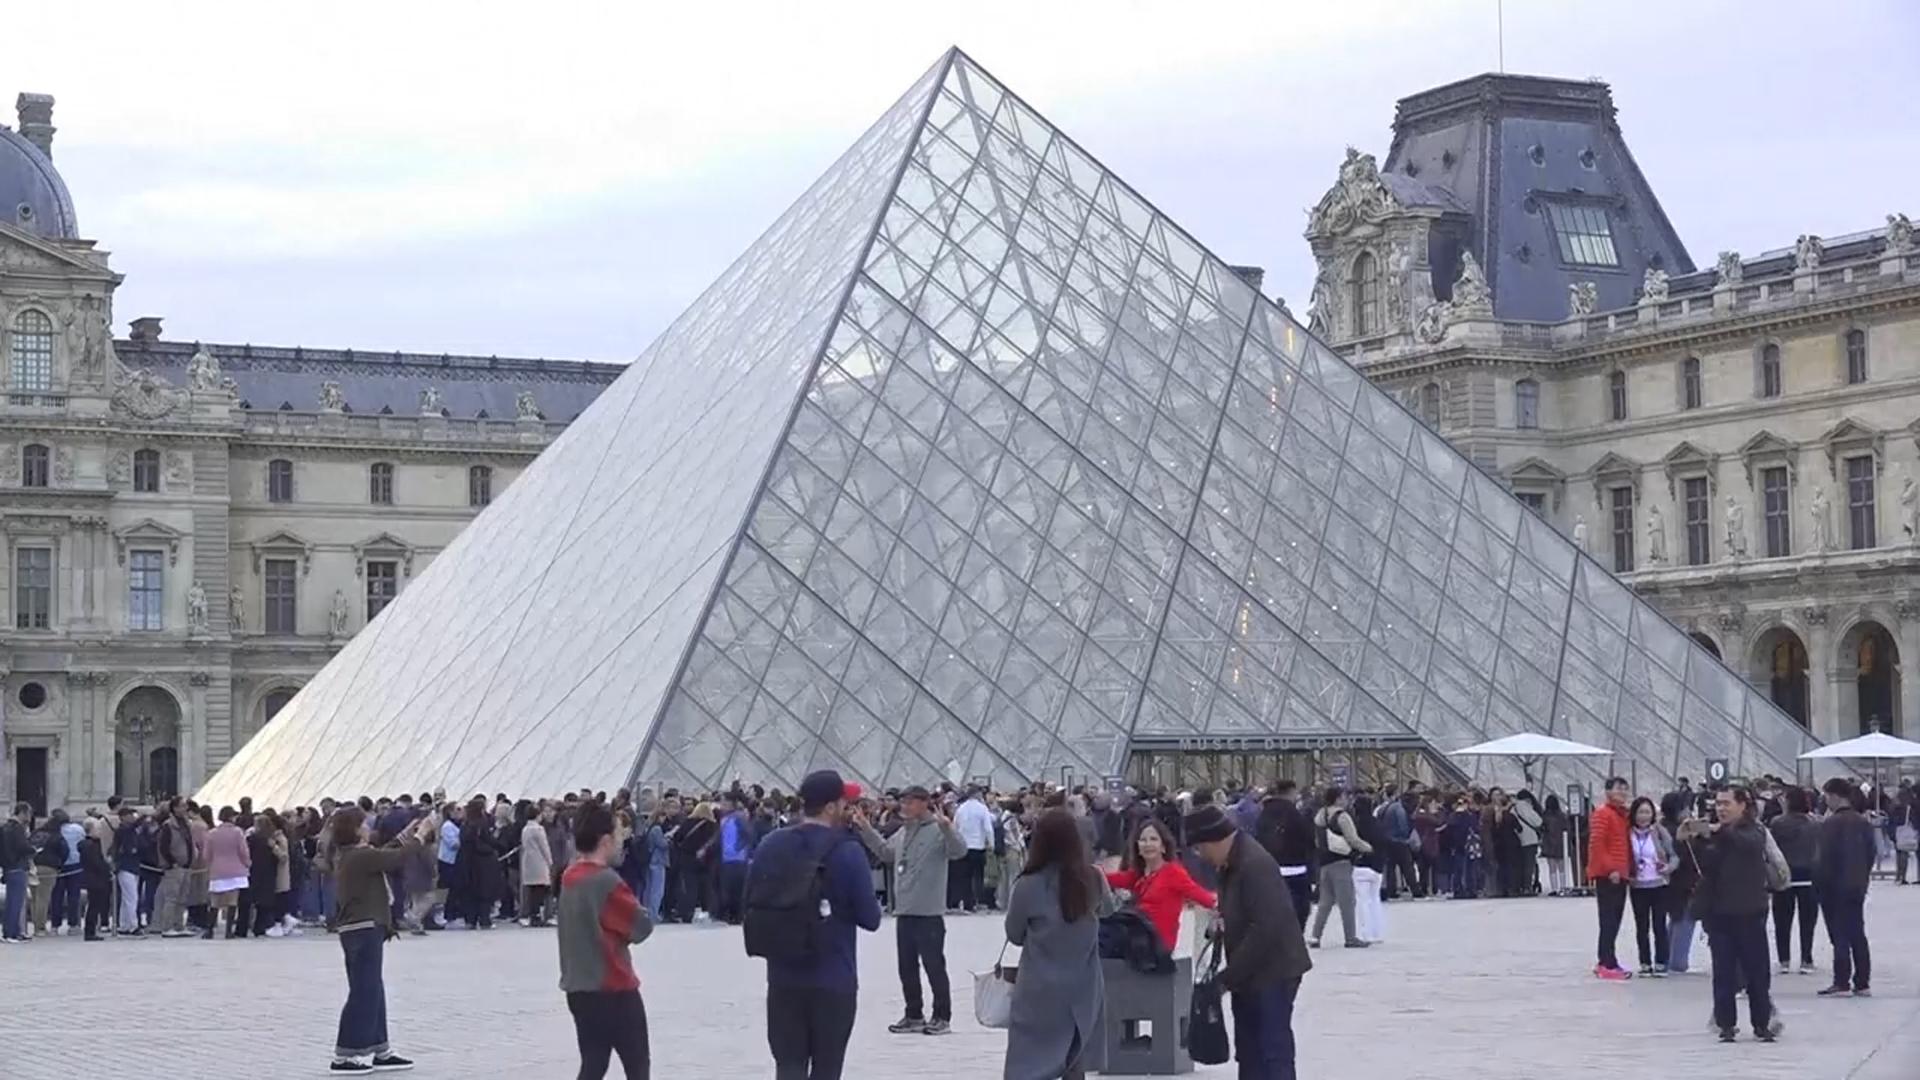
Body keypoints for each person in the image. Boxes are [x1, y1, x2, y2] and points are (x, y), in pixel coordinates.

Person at [746, 770, 881, 1080]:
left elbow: (751, 899)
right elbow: (870, 919)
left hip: (783, 977)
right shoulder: (848, 850)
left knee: (789, 1068)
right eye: (845, 803)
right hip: (834, 978)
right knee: (827, 1070)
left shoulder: (770, 844)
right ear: (831, 807)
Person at [1186, 803, 1311, 1080]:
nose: (1199, 855)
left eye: (1199, 847)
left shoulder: (1254, 863)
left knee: (1271, 1050)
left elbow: (1266, 926)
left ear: (1214, 839)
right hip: (1250, 972)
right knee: (1250, 1050)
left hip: (1273, 971)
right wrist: (1223, 921)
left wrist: (1228, 978)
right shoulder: (1230, 861)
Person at [1003, 808, 1112, 1080]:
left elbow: (1014, 935)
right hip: (1083, 986)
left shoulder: (1027, 885)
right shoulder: (1094, 879)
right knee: (1074, 1060)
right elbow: (1108, 910)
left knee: (1028, 1062)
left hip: (1038, 989)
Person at [326, 804, 431, 1073]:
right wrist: (421, 837)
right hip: (362, 928)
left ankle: (378, 1047)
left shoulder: (354, 855)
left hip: (363, 927)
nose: (368, 826)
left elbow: (385, 852)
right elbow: (394, 858)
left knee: (373, 989)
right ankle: (345, 1054)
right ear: (354, 829)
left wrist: (407, 833)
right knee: (364, 991)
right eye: (363, 823)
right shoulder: (359, 856)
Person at [853, 784, 965, 1036]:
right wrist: (866, 829)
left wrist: (948, 829)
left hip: (928, 911)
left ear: (924, 803)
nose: (903, 807)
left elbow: (959, 851)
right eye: (902, 803)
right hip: (904, 910)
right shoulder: (904, 832)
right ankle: (913, 1013)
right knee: (907, 967)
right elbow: (886, 853)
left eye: (909, 802)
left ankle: (941, 1016)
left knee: (934, 965)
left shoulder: (938, 829)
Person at [558, 802, 654, 1080]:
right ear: (605, 840)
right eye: (619, 835)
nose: (621, 841)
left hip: (579, 987)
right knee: (637, 1066)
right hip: (613, 987)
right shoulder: (605, 882)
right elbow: (641, 927)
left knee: (594, 1062)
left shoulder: (570, 876)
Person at [1694, 785, 1778, 1042]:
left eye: (1726, 803)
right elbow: (1705, 865)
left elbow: (1748, 844)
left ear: (1742, 805)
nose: (1720, 808)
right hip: (1719, 914)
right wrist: (1697, 838)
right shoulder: (1715, 832)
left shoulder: (1753, 831)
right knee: (1723, 973)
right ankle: (1725, 1025)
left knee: (1757, 972)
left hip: (1750, 912)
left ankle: (1762, 1024)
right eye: (1718, 803)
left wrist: (1720, 832)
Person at [1105, 817, 1214, 953]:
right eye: (1143, 840)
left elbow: (1200, 895)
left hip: (1157, 946)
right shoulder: (1140, 873)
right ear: (1137, 847)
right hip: (1139, 939)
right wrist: (1087, 873)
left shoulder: (1173, 872)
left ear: (1163, 846)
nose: (1148, 844)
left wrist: (1223, 908)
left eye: (1153, 839)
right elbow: (1113, 878)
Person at [1815, 778, 1876, 999]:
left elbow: (1824, 859)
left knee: (1839, 934)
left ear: (1833, 795)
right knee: (1857, 932)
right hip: (1857, 885)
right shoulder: (1863, 822)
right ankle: (1862, 982)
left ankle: (1841, 981)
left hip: (1834, 886)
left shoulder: (1831, 824)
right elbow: (1871, 853)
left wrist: (1819, 884)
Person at [1308, 786, 1371, 949]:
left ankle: (1315, 936)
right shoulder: (1342, 816)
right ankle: (1350, 937)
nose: (1347, 799)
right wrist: (1368, 847)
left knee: (1325, 902)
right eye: (1345, 796)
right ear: (1338, 798)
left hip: (1324, 862)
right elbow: (1352, 839)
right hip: (1341, 861)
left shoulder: (1320, 814)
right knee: (1347, 902)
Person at [1767, 786, 1820, 975]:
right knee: (1808, 920)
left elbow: (1772, 849)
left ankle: (1784, 960)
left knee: (1782, 920)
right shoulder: (1815, 823)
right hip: (1809, 875)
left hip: (1784, 875)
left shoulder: (1777, 822)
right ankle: (1807, 958)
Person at [1586, 776, 1633, 980]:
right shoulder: (1602, 814)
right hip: (1609, 875)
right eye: (1618, 789)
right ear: (1607, 792)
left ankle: (1606, 960)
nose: (1622, 792)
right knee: (1609, 919)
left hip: (1621, 873)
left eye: (1625, 789)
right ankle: (1607, 962)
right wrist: (1610, 868)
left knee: (1614, 919)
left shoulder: (1621, 815)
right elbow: (1597, 844)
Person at [1253, 782, 1313, 929]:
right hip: (1295, 868)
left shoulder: (1263, 814)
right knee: (1298, 909)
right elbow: (1307, 839)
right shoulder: (1293, 813)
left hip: (1270, 868)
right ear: (1290, 792)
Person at [1625, 796, 1673, 976]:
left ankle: (1661, 962)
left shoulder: (1659, 832)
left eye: (1647, 812)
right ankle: (1645, 962)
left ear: (1653, 814)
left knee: (1659, 925)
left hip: (1658, 884)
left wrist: (1668, 867)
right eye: (1640, 812)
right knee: (1641, 926)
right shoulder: (1627, 833)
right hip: (1638, 886)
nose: (1643, 816)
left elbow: (1673, 855)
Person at [1661, 793, 1703, 975]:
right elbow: (1685, 856)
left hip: (1671, 882)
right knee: (1685, 919)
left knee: (1676, 919)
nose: (1689, 811)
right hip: (1683, 881)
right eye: (1685, 808)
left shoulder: (1663, 827)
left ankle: (1669, 958)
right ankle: (1678, 961)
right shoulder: (1678, 831)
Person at [206, 806, 251, 939]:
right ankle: (228, 931)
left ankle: (210, 930)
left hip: (217, 869)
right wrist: (247, 863)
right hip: (235, 869)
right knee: (232, 900)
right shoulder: (237, 832)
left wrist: (209, 864)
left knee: (215, 901)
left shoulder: (212, 833)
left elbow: (207, 854)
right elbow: (243, 851)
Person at [953, 786, 995, 913]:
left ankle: (967, 903)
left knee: (965, 877)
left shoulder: (961, 808)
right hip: (978, 846)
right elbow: (988, 828)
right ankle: (978, 901)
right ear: (977, 794)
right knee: (978, 876)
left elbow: (955, 826)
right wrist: (991, 843)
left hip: (964, 846)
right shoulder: (982, 809)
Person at [519, 804, 556, 928]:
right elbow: (544, 847)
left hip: (528, 862)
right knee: (541, 890)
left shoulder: (525, 829)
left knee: (533, 891)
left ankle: (533, 915)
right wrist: (550, 861)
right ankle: (540, 915)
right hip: (539, 862)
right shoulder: (539, 829)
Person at [0, 802, 31, 943]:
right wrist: (33, 850)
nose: (30, 817)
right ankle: (10, 933)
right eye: (28, 813)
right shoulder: (17, 829)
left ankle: (14, 931)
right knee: (15, 902)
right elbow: (22, 847)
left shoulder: (4, 828)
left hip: (8, 867)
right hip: (18, 866)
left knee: (12, 902)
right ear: (23, 813)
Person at [1539, 794, 1571, 895]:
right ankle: (1563, 886)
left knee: (1552, 868)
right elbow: (1567, 828)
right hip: (1561, 843)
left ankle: (1554, 889)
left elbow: (1542, 829)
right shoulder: (1562, 816)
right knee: (1561, 867)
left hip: (1548, 843)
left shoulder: (1544, 816)